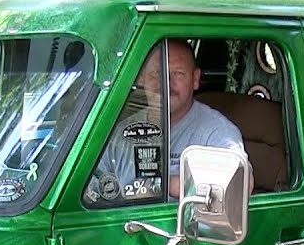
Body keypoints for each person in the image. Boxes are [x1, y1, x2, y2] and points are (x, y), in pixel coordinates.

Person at [92, 39, 245, 205]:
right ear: (141, 78)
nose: (166, 83)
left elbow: (241, 185)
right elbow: (90, 191)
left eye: (178, 73)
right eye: (157, 72)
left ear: (195, 79)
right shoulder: (120, 133)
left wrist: (164, 185)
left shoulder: (217, 133)